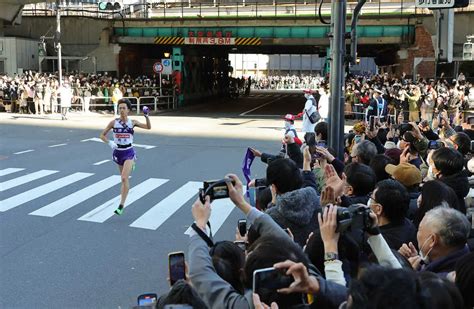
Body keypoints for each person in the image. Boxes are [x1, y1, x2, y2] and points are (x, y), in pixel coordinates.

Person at [99, 98, 151, 215]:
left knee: (124, 178)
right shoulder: (113, 122)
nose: (122, 110)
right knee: (123, 179)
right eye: (120, 108)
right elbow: (101, 135)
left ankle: (121, 205)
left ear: (128, 110)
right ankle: (132, 165)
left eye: (124, 108)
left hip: (128, 151)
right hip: (118, 152)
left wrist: (147, 116)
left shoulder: (133, 122)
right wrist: (110, 143)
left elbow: (148, 127)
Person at [399, 207, 470, 277]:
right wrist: (419, 263)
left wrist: (408, 275)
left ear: (432, 240)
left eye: (420, 229)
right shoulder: (465, 264)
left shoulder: (440, 281)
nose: (417, 233)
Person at [368, 179, 417, 250]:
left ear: (378, 209)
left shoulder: (377, 242)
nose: (369, 201)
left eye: (371, 197)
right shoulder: (408, 225)